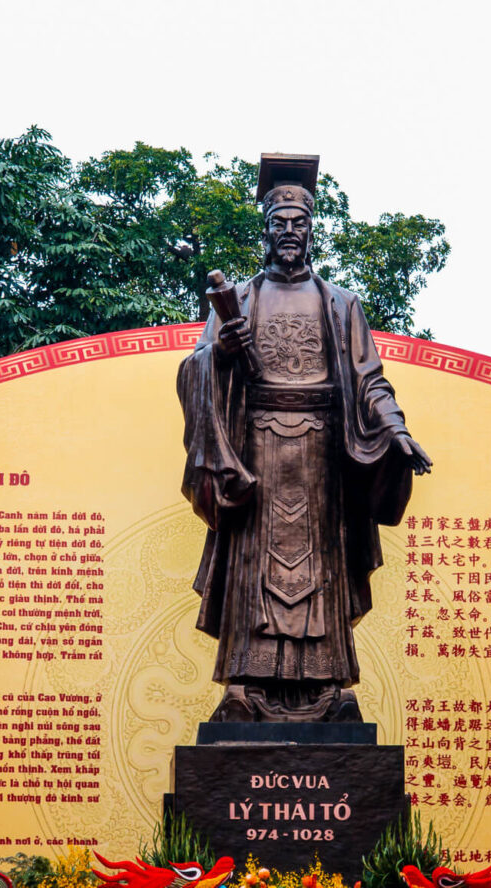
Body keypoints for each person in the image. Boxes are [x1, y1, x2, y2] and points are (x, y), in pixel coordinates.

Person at [177, 168, 431, 722]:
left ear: (312, 232)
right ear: (266, 232)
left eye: (299, 223)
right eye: (279, 223)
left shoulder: (340, 303)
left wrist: (396, 430)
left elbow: (370, 380)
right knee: (253, 563)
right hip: (256, 450)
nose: (289, 232)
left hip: (323, 454)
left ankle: (330, 688)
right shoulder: (240, 300)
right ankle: (245, 685)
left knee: (322, 567)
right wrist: (221, 352)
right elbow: (194, 369)